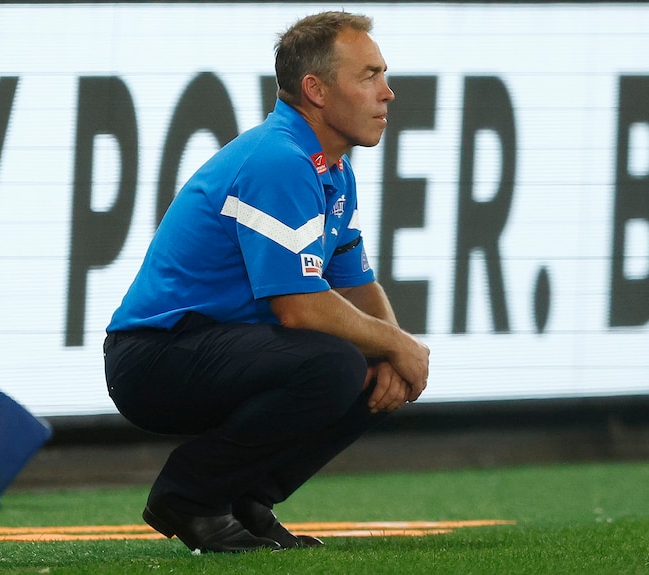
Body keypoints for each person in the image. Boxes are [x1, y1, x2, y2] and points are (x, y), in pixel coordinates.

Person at [103, 11, 429, 553]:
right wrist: (398, 345)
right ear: (315, 91)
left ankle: (244, 499)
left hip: (203, 350)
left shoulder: (330, 168)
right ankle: (189, 496)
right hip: (153, 358)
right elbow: (299, 308)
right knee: (336, 361)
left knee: (363, 362)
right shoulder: (279, 160)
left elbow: (355, 284)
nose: (388, 92)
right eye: (369, 75)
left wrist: (393, 353)